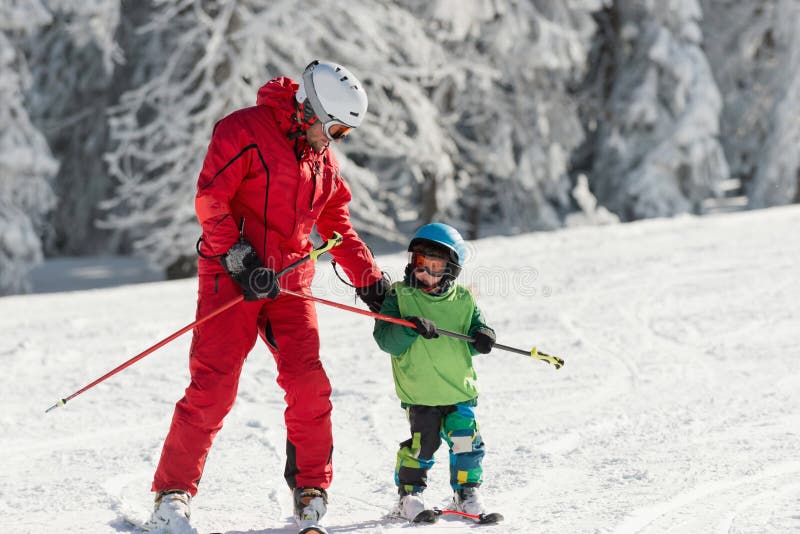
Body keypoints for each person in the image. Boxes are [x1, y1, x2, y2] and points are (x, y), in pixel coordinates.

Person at [145, 60, 389, 534]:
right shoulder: (243, 131)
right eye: (334, 127)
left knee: (309, 384)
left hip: (290, 281)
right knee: (213, 387)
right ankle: (171, 495)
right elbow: (210, 200)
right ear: (309, 110)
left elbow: (337, 222)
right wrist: (239, 258)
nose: (335, 139)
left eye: (344, 132)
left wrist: (370, 281)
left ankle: (310, 489)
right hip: (232, 275)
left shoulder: (321, 159)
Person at [372, 223, 497, 522]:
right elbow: (386, 340)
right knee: (423, 444)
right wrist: (411, 327)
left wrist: (484, 335)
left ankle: (466, 492)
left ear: (451, 270)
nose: (424, 272)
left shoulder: (464, 300)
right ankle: (409, 495)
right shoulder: (399, 297)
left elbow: (475, 334)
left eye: (434, 266)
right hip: (420, 393)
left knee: (465, 439)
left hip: (459, 391)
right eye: (419, 263)